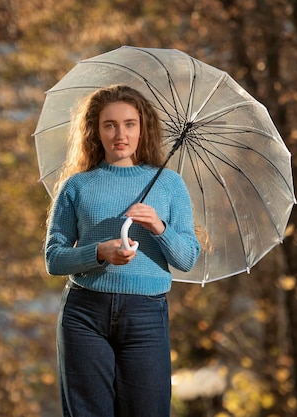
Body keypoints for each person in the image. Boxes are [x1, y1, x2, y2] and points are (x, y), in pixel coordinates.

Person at [44, 84, 201, 417]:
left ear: (143, 129)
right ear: (95, 131)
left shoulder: (169, 184)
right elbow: (54, 258)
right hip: (84, 314)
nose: (121, 134)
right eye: (110, 124)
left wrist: (159, 227)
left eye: (130, 123)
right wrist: (99, 252)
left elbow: (186, 259)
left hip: (145, 316)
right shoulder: (77, 186)